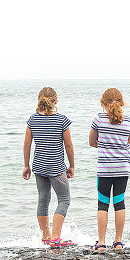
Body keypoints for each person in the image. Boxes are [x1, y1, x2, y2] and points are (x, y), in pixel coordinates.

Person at [22, 87, 76, 248]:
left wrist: (26, 165)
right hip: (56, 168)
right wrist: (72, 165)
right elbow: (68, 145)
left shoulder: (32, 120)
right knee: (64, 199)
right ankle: (56, 238)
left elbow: (27, 144)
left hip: (39, 166)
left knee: (43, 199)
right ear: (56, 101)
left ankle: (45, 237)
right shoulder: (61, 120)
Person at [89, 87, 130, 252]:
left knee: (103, 203)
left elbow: (92, 142)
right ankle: (118, 241)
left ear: (103, 103)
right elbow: (127, 144)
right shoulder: (128, 121)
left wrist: (105, 146)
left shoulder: (98, 119)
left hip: (105, 168)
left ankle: (101, 242)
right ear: (121, 102)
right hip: (122, 168)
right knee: (119, 202)